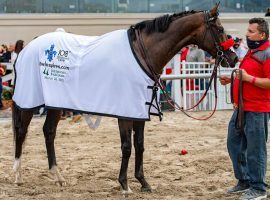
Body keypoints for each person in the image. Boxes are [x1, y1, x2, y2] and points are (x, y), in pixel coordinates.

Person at [219, 18, 270, 200]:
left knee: (256, 149)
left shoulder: (268, 53)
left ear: (262, 35)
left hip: (258, 109)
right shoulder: (252, 52)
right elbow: (246, 75)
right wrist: (232, 80)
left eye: (250, 31)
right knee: (234, 143)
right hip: (241, 107)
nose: (247, 34)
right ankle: (244, 180)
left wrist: (248, 79)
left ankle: (258, 188)